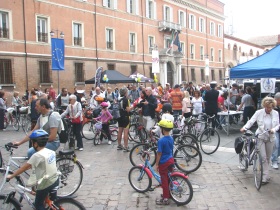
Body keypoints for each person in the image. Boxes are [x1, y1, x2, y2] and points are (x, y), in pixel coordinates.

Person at [8, 130, 59, 210]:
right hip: (55, 180)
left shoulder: (37, 155)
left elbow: (24, 168)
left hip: (45, 184)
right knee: (46, 200)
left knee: (38, 205)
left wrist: (12, 176)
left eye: (32, 142)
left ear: (35, 144)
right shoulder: (51, 152)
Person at [240, 97, 279, 184]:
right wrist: (244, 128)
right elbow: (251, 121)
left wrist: (274, 129)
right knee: (264, 157)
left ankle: (266, 175)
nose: (269, 109)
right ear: (264, 106)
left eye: (271, 107)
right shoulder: (259, 112)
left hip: (271, 138)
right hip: (260, 137)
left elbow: (278, 125)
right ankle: (264, 178)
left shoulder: (275, 113)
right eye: (267, 107)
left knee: (268, 158)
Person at [155, 119, 174, 205]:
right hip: (171, 160)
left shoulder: (161, 141)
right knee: (169, 178)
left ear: (162, 129)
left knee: (164, 180)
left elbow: (159, 153)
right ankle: (169, 193)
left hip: (164, 162)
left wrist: (156, 163)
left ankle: (166, 198)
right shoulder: (171, 138)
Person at [116, 87, 132, 152]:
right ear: (125, 93)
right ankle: (126, 146)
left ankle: (119, 145)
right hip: (125, 116)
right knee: (126, 131)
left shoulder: (118, 99)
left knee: (120, 131)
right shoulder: (126, 99)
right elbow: (128, 110)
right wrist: (131, 107)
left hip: (119, 116)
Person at [271, 92, 280, 169]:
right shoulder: (273, 107)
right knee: (276, 145)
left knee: (278, 146)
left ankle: (276, 157)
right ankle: (274, 160)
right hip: (275, 129)